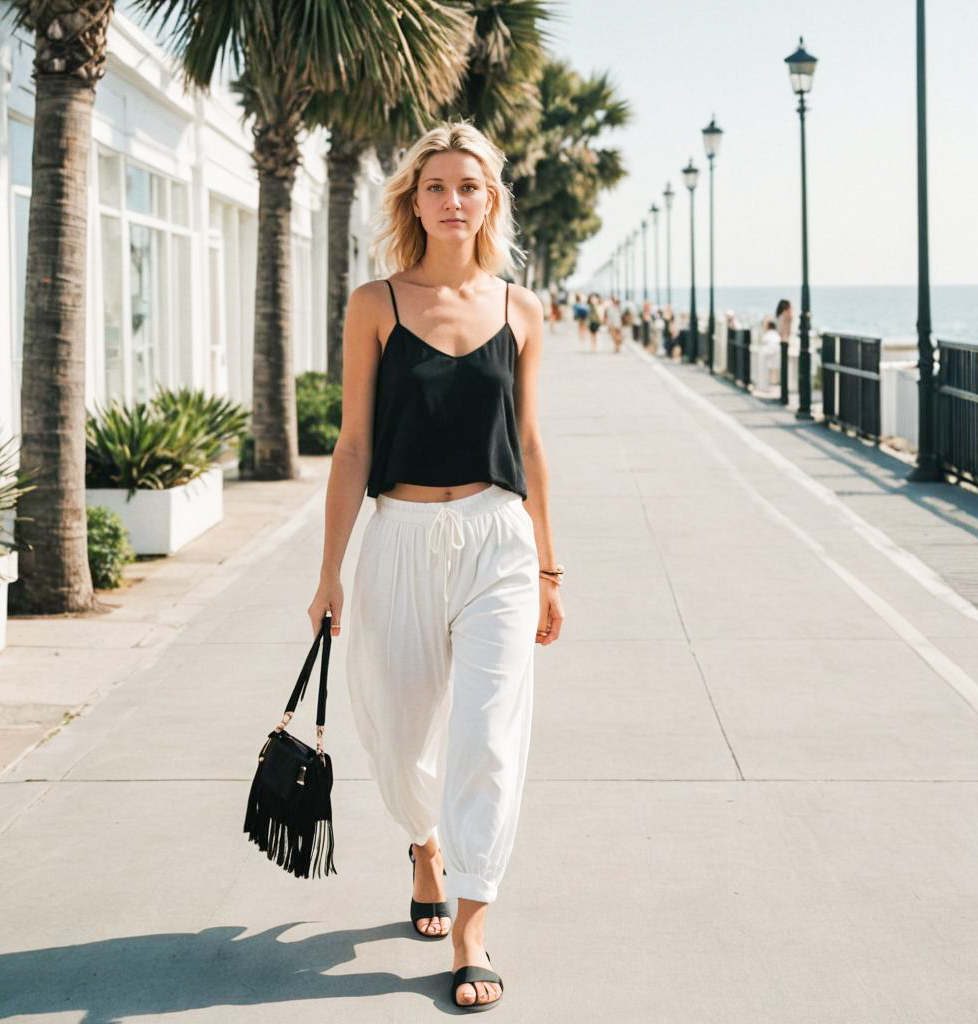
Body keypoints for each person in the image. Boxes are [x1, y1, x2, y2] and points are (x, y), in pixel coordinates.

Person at [312, 119, 565, 1012]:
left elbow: (530, 444)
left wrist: (548, 568)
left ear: (491, 198)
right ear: (413, 200)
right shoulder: (373, 303)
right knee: (395, 731)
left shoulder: (520, 308)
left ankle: (472, 925)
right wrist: (330, 570)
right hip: (399, 537)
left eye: (469, 186)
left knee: (489, 738)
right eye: (436, 187)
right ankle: (424, 842)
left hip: (500, 539)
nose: (453, 201)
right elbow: (350, 449)